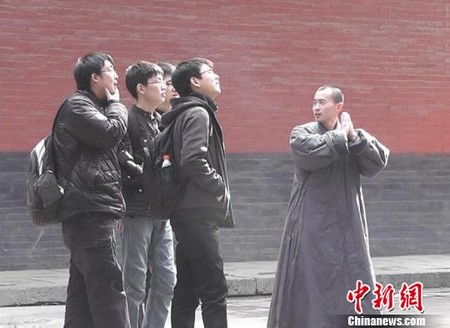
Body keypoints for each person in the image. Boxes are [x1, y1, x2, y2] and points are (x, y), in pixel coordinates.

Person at [267, 85, 390, 328]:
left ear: (338, 106)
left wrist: (354, 137)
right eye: (314, 102)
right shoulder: (302, 133)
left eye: (322, 102)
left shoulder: (353, 137)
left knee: (352, 275)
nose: (316, 107)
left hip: (347, 222)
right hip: (311, 222)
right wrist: (340, 136)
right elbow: (308, 154)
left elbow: (377, 162)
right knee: (308, 279)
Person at [53, 52, 130, 328]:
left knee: (83, 293)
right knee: (108, 289)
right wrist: (117, 105)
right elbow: (111, 132)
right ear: (94, 77)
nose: (117, 76)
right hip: (89, 212)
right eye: (111, 70)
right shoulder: (78, 106)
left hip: (88, 211)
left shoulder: (90, 107)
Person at [161, 58, 234, 328]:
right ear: (194, 81)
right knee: (214, 289)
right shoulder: (198, 113)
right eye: (210, 73)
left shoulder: (182, 113)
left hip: (185, 210)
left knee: (187, 289)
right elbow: (193, 159)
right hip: (198, 211)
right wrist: (217, 186)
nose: (216, 76)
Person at [118, 61, 176, 328]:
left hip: (161, 212)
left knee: (166, 280)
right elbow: (123, 163)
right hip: (137, 211)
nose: (165, 88)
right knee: (135, 283)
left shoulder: (161, 121)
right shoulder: (127, 121)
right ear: (141, 88)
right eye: (159, 83)